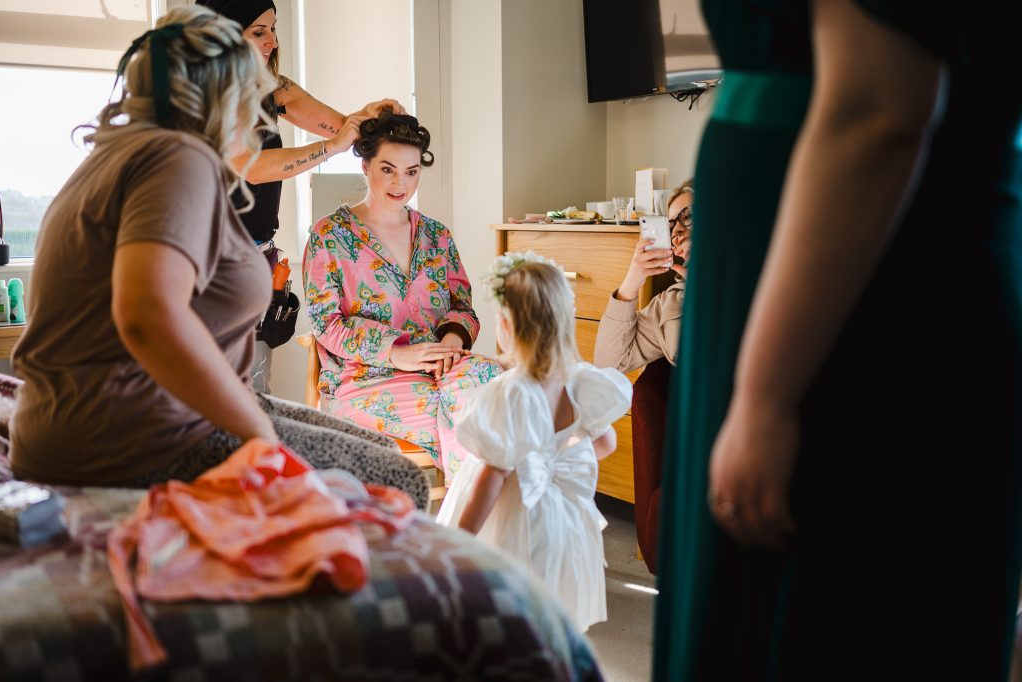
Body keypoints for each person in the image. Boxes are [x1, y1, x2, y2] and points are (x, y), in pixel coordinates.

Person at [653, 1, 1022, 680]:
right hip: (798, 267)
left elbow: (878, 103)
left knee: (814, 615)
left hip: (846, 292)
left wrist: (765, 395)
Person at [7, 6, 429, 509]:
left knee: (376, 450)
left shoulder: (126, 154)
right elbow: (147, 317)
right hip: (125, 431)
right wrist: (259, 438)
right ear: (222, 100)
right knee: (396, 482)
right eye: (254, 99)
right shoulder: (175, 162)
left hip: (115, 414)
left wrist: (351, 131)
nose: (263, 118)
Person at [196, 0, 406, 393]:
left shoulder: (271, 89)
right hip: (211, 268)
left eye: (273, 29)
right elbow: (250, 165)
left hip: (257, 258)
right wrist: (331, 148)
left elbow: (341, 126)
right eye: (259, 31)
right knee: (216, 395)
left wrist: (369, 118)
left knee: (256, 389)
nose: (273, 42)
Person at [435, 253, 632, 632]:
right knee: (551, 612)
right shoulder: (580, 383)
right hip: (564, 521)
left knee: (506, 612)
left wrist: (460, 542)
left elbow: (492, 479)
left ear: (506, 326)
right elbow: (604, 442)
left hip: (514, 520)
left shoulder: (508, 393)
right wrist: (554, 457)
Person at [302, 111, 503, 482]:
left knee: (501, 393)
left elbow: (463, 308)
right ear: (364, 165)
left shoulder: (436, 236)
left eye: (411, 172)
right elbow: (325, 324)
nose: (401, 183)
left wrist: (451, 343)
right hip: (366, 379)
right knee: (482, 428)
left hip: (444, 370)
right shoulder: (329, 235)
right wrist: (397, 352)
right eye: (388, 169)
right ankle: (474, 528)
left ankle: (467, 525)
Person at [593, 179, 693, 373]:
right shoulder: (668, 305)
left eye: (688, 216)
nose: (677, 231)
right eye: (671, 227)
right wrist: (632, 281)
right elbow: (607, 365)